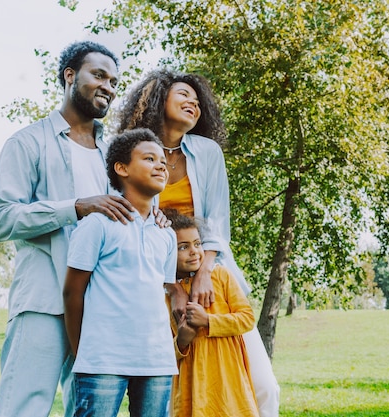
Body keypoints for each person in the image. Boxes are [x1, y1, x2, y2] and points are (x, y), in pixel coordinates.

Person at [0, 41, 166, 417]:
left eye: (114, 80)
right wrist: (75, 207)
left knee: (84, 409)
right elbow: (3, 219)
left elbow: (130, 210)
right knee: (23, 406)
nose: (109, 86)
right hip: (44, 301)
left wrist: (155, 217)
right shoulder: (27, 143)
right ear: (70, 76)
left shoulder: (113, 152)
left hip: (99, 308)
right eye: (98, 75)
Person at [117, 69, 280, 417]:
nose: (193, 102)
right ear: (160, 101)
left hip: (213, 274)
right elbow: (133, 226)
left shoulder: (207, 152)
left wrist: (205, 271)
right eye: (182, 95)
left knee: (264, 386)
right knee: (174, 391)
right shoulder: (135, 154)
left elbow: (218, 222)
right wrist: (172, 287)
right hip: (152, 285)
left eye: (196, 99)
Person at [64, 128, 177, 417]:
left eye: (163, 161)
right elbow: (72, 292)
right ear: (122, 168)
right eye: (150, 158)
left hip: (156, 362)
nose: (161, 165)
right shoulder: (97, 224)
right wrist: (83, 353)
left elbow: (162, 294)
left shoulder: (166, 234)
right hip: (103, 361)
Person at [165, 209, 259, 417]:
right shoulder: (166, 297)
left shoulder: (220, 276)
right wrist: (181, 341)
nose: (194, 251)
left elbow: (247, 318)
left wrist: (208, 320)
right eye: (183, 247)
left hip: (227, 377)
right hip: (191, 384)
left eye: (197, 244)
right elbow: (163, 352)